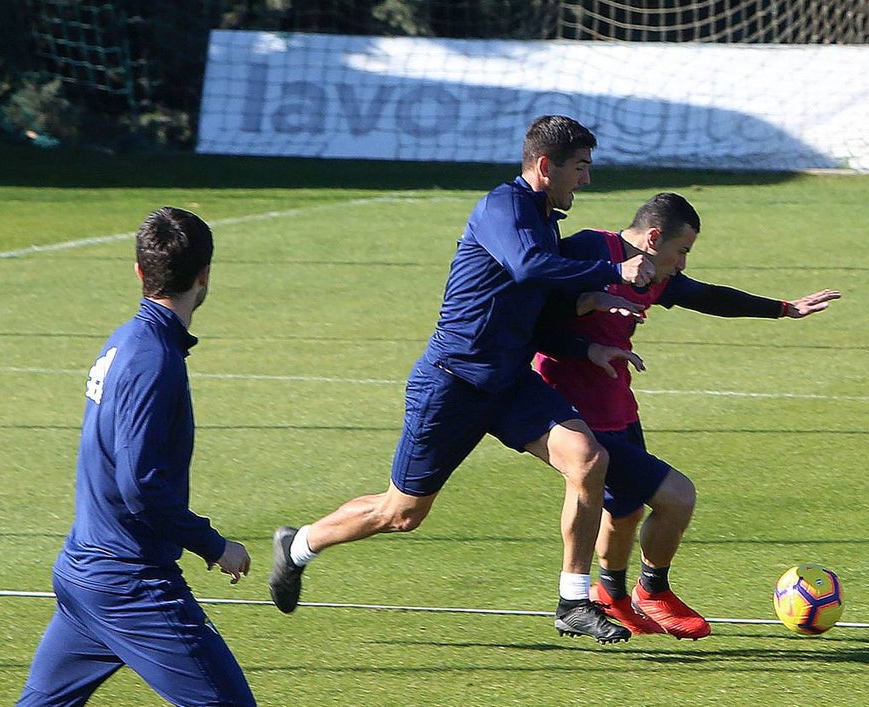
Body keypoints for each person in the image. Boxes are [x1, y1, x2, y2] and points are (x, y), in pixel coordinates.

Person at [268, 115, 655, 644]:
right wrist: (613, 272)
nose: (586, 180)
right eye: (581, 168)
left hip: (509, 383)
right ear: (546, 166)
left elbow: (534, 317)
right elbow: (528, 266)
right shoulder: (503, 207)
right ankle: (298, 546)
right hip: (453, 382)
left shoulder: (544, 220)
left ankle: (572, 601)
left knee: (588, 459)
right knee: (401, 513)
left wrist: (590, 344)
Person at [0, 208, 263, 707]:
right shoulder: (154, 360)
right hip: (128, 584)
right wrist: (214, 545)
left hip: (85, 571)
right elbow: (140, 486)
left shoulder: (126, 340)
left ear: (139, 272)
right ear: (205, 275)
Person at [533, 192, 840, 639]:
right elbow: (537, 319)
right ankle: (652, 591)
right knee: (676, 497)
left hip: (617, 405)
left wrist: (782, 309)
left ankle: (612, 596)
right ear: (654, 238)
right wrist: (588, 346)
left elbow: (707, 296)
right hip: (576, 414)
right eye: (682, 251)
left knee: (624, 512)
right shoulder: (588, 249)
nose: (681, 264)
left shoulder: (654, 276)